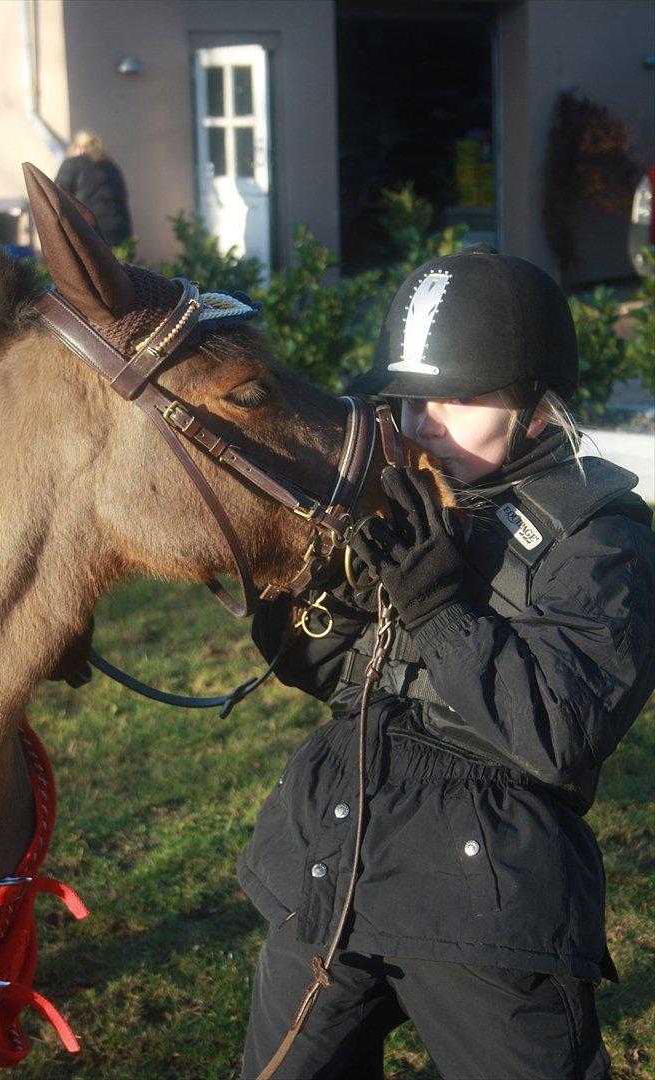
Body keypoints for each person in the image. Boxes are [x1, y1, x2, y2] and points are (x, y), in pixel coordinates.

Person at [237, 245, 655, 1079]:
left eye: (459, 399)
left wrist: (436, 607)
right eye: (411, 400)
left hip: (483, 895)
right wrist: (296, 587)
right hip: (336, 857)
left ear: (538, 404)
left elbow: (557, 732)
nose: (426, 425)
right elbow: (335, 678)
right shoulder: (420, 499)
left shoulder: (605, 540)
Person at [54, 130, 132, 246]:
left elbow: (55, 196)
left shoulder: (73, 164)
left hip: (89, 232)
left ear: (78, 148)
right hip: (120, 234)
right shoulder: (112, 167)